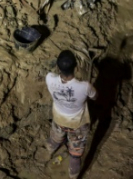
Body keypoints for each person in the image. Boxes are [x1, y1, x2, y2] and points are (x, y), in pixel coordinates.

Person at [45, 50, 97, 179]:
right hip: (77, 124)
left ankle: (48, 153)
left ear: (58, 67)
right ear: (76, 67)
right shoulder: (85, 86)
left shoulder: (49, 78)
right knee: (75, 154)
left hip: (59, 119)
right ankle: (73, 176)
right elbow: (95, 97)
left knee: (55, 138)